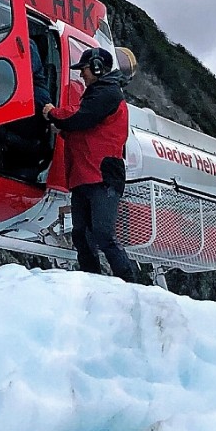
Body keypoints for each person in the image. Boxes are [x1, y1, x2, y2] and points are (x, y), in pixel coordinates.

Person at [45, 47, 148, 284]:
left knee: (102, 233)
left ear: (98, 67)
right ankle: (93, 282)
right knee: (81, 235)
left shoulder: (107, 93)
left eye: (84, 69)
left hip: (101, 176)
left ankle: (132, 284)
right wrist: (64, 132)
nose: (82, 75)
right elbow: (86, 131)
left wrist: (52, 113)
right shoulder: (101, 94)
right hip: (84, 176)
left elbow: (81, 117)